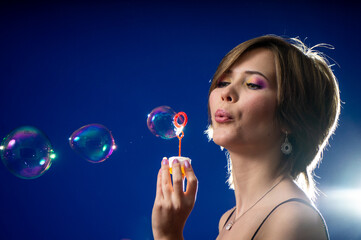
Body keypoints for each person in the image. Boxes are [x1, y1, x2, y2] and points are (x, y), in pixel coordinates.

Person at [151, 35, 341, 240]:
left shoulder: (293, 219)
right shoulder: (228, 220)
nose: (226, 93)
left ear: (292, 117)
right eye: (223, 82)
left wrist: (168, 236)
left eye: (252, 84)